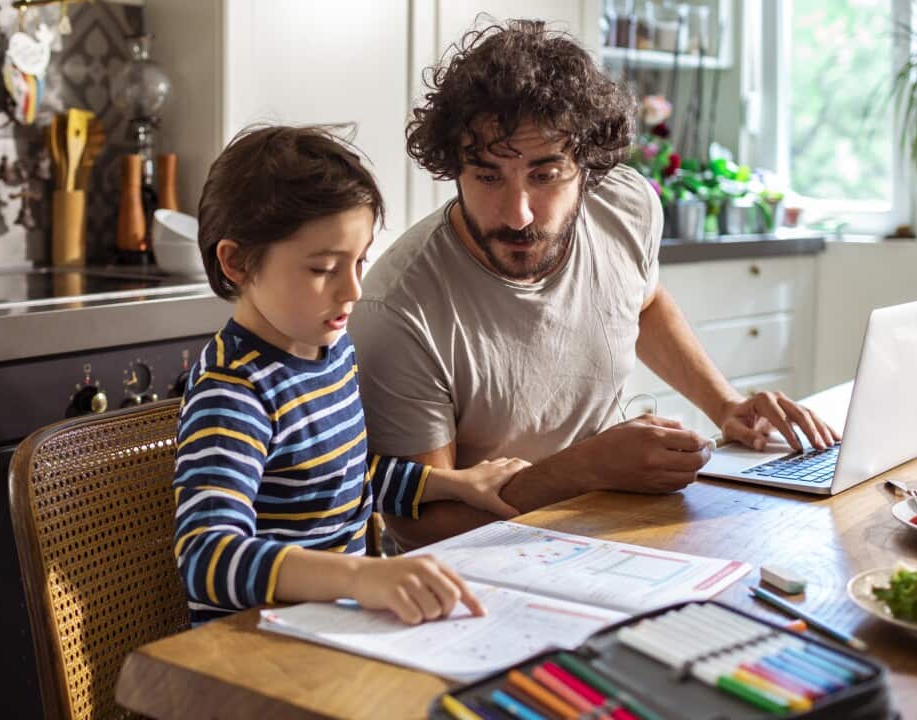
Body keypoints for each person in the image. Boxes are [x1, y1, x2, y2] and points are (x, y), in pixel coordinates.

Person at [349, 21, 839, 550]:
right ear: (453, 168)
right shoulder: (398, 309)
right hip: (480, 564)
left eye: (545, 175)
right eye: (488, 176)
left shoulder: (625, 203)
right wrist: (584, 470)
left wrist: (725, 405)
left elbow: (643, 301)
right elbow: (420, 526)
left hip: (612, 525)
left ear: (588, 166)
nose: (517, 215)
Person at [174, 125, 529, 627]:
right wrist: (357, 576)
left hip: (334, 624)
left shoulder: (332, 350)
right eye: (323, 269)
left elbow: (344, 478)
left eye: (360, 261)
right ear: (236, 262)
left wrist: (451, 485)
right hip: (254, 646)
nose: (354, 290)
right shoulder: (235, 392)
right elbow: (206, 559)